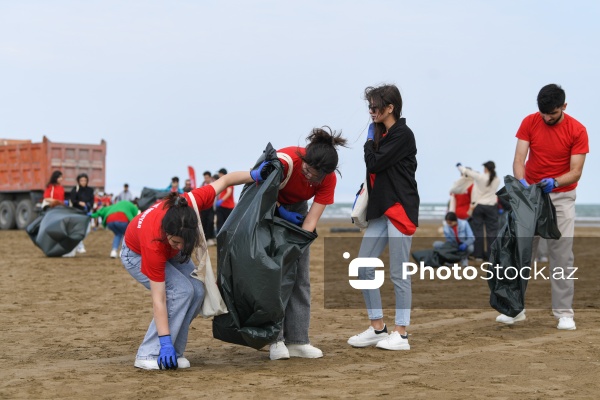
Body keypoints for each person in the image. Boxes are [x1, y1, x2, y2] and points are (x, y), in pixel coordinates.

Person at [120, 168, 266, 370]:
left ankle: (175, 351)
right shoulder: (153, 241)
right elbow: (159, 299)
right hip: (137, 253)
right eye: (176, 242)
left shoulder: (191, 203)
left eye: (184, 243)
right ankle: (148, 353)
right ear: (168, 233)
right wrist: (163, 341)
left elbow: (226, 181)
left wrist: (255, 174)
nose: (180, 246)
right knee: (181, 291)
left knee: (197, 290)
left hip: (167, 250)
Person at [497, 83, 588, 330]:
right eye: (543, 113)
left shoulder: (578, 130)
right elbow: (519, 159)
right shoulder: (530, 121)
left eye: (553, 114)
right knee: (521, 253)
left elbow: (576, 171)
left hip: (561, 196)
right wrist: (523, 182)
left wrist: (555, 182)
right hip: (531, 196)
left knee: (562, 257)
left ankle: (564, 313)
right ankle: (515, 309)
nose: (547, 118)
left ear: (564, 107)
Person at [347, 84, 419, 352]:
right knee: (363, 267)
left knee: (399, 274)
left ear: (390, 108)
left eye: (375, 107)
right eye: (369, 107)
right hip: (380, 210)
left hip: (400, 209)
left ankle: (401, 333)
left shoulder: (403, 134)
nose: (371, 112)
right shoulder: (382, 133)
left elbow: (374, 163)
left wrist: (368, 141)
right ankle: (378, 328)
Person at [268, 127, 347, 361]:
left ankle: (298, 340)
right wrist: (280, 212)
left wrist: (297, 247)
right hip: (266, 209)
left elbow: (311, 220)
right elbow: (257, 194)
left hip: (298, 211)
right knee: (276, 277)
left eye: (316, 175)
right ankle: (276, 339)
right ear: (303, 159)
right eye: (307, 170)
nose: (310, 177)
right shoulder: (285, 161)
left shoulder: (327, 179)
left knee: (300, 277)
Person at [456, 161, 500, 261]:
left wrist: (459, 167)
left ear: (486, 168)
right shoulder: (497, 180)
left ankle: (478, 255)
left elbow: (467, 171)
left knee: (478, 231)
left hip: (479, 206)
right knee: (492, 232)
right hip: (491, 206)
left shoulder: (480, 177)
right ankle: (491, 255)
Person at [68, 173, 94, 254]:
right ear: (78, 181)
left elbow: (92, 201)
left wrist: (88, 205)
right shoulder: (75, 189)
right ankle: (80, 246)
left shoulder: (90, 190)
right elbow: (72, 200)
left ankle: (78, 243)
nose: (83, 182)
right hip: (77, 212)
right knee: (78, 230)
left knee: (87, 230)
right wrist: (79, 203)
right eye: (81, 180)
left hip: (86, 213)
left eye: (85, 180)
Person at [215, 168, 235, 234]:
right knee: (219, 223)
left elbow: (228, 192)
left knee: (228, 225)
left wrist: (221, 200)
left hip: (228, 207)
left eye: (219, 174)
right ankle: (219, 238)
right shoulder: (221, 182)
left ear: (222, 174)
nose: (218, 175)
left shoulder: (228, 181)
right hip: (221, 207)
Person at [200, 171, 216, 246]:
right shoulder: (202, 185)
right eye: (204, 178)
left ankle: (210, 238)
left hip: (211, 207)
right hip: (204, 207)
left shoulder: (214, 184)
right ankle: (204, 239)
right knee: (203, 222)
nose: (206, 179)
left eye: (207, 177)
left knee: (210, 222)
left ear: (210, 177)